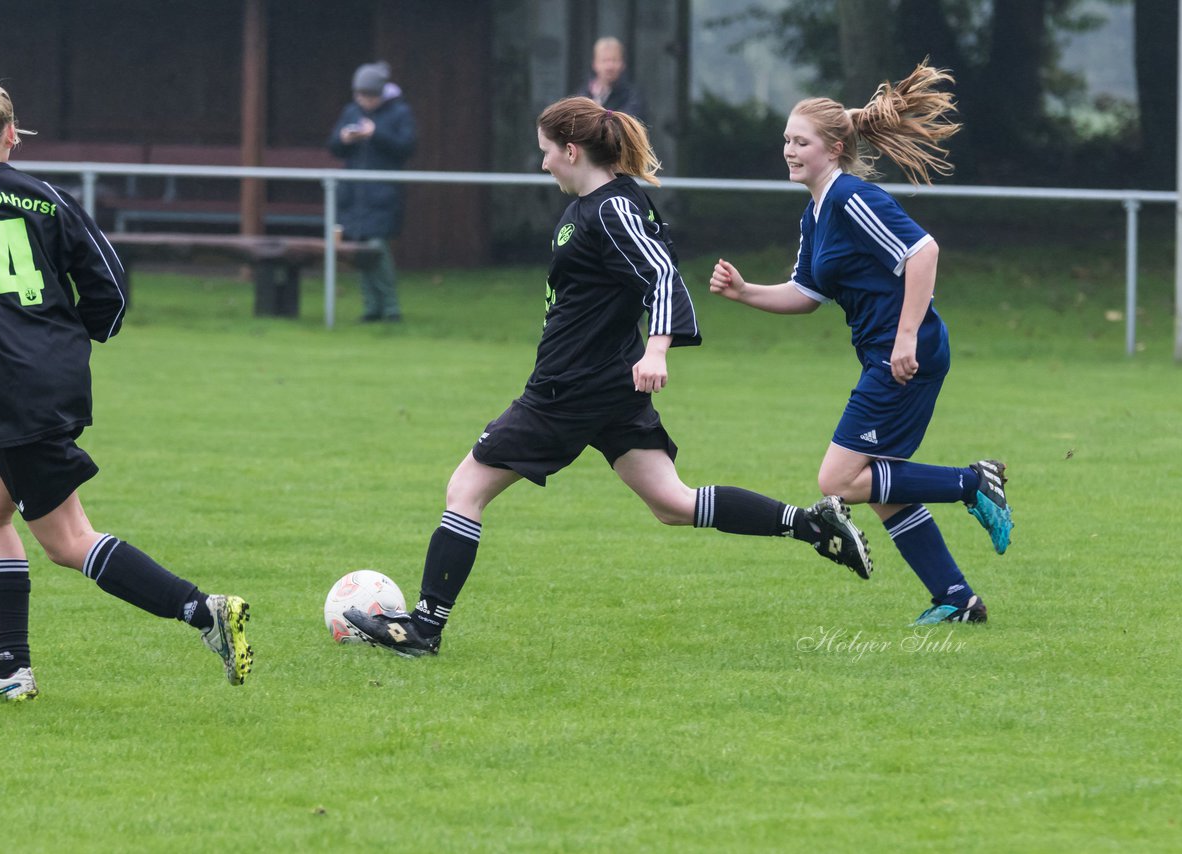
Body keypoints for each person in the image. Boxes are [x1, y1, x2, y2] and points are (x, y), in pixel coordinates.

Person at [342, 96, 872, 658]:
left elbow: (663, 276)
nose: (543, 163)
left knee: (464, 489)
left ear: (571, 151)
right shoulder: (596, 206)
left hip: (570, 389)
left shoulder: (609, 209)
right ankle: (811, 526)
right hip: (606, 385)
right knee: (673, 503)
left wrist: (658, 349)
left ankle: (424, 627)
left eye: (546, 152)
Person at [0, 79, 253, 701]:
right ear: (12, 135)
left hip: (13, 392)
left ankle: (202, 611)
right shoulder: (50, 197)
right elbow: (111, 282)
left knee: (69, 541)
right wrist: (76, 339)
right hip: (53, 379)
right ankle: (10, 670)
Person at [707, 61, 1014, 626]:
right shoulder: (816, 213)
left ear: (834, 147)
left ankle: (975, 482)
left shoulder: (852, 198)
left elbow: (924, 252)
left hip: (905, 354)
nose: (788, 151)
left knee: (839, 480)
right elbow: (805, 292)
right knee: (880, 483)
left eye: (800, 141)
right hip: (890, 353)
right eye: (785, 141)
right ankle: (957, 599)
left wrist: (903, 340)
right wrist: (745, 292)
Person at [327, 61, 417, 323]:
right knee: (360, 250)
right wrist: (344, 138)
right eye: (359, 96)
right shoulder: (350, 111)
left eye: (368, 96)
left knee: (378, 248)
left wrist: (376, 134)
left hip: (383, 194)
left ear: (380, 94)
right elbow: (333, 147)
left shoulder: (400, 112)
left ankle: (391, 308)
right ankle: (371, 308)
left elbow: (406, 147)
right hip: (354, 195)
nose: (363, 102)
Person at [580, 37, 647, 123]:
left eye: (614, 60)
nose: (609, 66)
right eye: (604, 61)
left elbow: (626, 125)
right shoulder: (584, 95)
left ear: (623, 64)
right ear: (594, 64)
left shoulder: (632, 97)